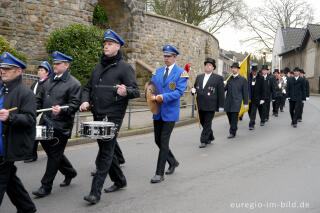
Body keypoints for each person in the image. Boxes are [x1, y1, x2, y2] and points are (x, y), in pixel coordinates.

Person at [80, 29, 140, 204]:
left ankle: (95, 192)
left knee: (105, 152)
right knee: (108, 148)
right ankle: (120, 180)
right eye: (105, 43)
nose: (106, 46)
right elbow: (88, 88)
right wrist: (85, 101)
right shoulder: (98, 66)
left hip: (113, 116)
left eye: (110, 44)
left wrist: (125, 91)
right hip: (97, 113)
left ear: (118, 46)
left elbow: (135, 91)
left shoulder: (125, 67)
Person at [32, 51, 81, 197]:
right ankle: (70, 171)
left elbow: (74, 105)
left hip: (61, 126)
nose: (55, 65)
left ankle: (45, 186)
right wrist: (32, 112)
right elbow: (39, 99)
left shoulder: (74, 84)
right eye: (54, 63)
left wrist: (62, 110)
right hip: (46, 123)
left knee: (54, 155)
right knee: (52, 152)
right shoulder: (48, 80)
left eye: (58, 63)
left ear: (66, 65)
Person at [0, 52, 37, 213]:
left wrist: (10, 117)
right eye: (2, 68)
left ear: (19, 71)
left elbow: (30, 119)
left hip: (6, 149)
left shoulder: (25, 93)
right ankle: (27, 208)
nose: (3, 71)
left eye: (8, 69)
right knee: (10, 181)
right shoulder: (2, 89)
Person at [149, 44, 188, 183]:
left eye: (169, 56)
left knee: (164, 141)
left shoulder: (181, 73)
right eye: (165, 56)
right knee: (157, 140)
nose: (166, 59)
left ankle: (159, 173)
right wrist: (150, 96)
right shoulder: (157, 72)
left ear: (175, 57)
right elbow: (152, 88)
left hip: (170, 112)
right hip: (157, 111)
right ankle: (172, 161)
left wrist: (161, 97)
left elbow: (178, 92)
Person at [192, 58, 225, 148]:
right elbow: (195, 90)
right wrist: (193, 91)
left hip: (211, 105)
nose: (208, 66)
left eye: (210, 65)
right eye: (206, 65)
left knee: (207, 123)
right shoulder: (199, 77)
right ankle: (210, 136)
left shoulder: (218, 78)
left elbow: (221, 93)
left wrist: (221, 105)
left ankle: (203, 140)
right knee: (202, 122)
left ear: (213, 68)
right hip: (200, 104)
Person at [24, 61, 52, 163]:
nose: (39, 72)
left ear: (47, 73)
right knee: (36, 134)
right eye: (39, 70)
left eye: (42, 70)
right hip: (34, 111)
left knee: (41, 135)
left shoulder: (48, 83)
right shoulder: (35, 83)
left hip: (43, 113)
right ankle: (32, 154)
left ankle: (35, 155)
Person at [224, 62, 248, 138]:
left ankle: (232, 132)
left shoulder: (242, 79)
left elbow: (245, 92)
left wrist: (245, 103)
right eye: (232, 68)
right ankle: (234, 127)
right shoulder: (229, 79)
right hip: (228, 101)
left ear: (238, 69)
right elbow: (224, 90)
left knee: (234, 117)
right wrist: (223, 84)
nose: (233, 69)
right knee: (229, 116)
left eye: (235, 68)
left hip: (237, 102)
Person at [248, 65, 265, 130]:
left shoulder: (261, 78)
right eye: (253, 71)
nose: (254, 72)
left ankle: (252, 124)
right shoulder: (248, 76)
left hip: (257, 97)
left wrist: (262, 98)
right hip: (249, 97)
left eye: (255, 71)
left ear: (257, 71)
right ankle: (252, 121)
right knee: (249, 111)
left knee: (255, 111)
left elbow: (263, 89)